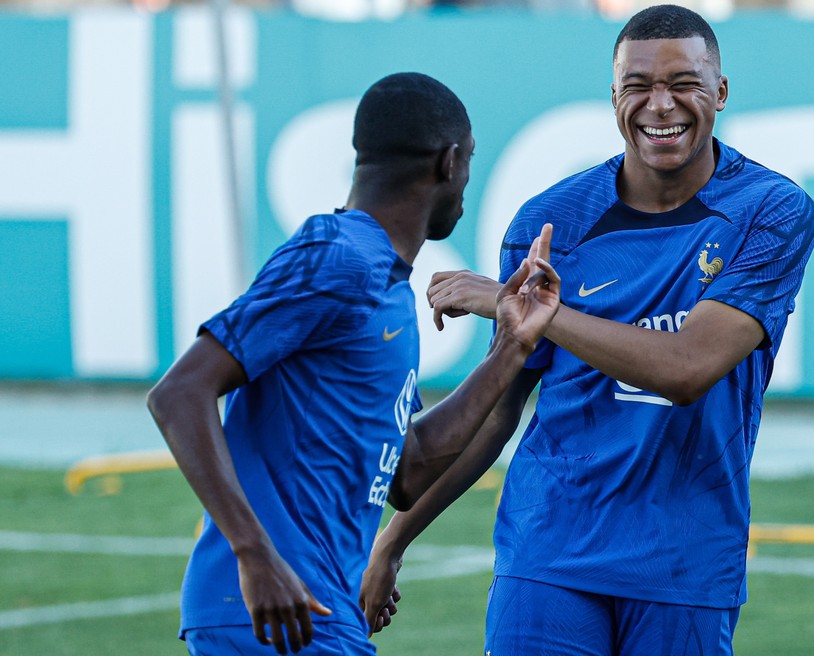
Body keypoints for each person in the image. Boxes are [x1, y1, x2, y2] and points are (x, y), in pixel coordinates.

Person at [360, 5, 814, 655]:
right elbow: (497, 412)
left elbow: (688, 369)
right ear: (614, 98)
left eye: (683, 83)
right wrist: (393, 540)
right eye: (638, 86)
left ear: (720, 91)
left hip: (685, 565)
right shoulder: (550, 220)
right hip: (547, 552)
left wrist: (537, 313)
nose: (661, 105)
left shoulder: (772, 212)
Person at [146, 72, 560, 656]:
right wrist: (253, 553)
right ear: (448, 162)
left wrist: (511, 346)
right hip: (274, 610)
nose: (467, 179)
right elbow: (178, 392)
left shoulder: (385, 282)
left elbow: (408, 472)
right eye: (469, 159)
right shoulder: (338, 254)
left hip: (319, 610)